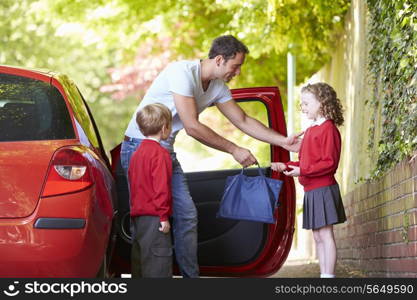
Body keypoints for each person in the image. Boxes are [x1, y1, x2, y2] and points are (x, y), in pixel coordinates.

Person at [121, 35, 300, 277]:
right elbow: (192, 126)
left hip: (165, 151)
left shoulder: (217, 88)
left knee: (187, 215)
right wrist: (234, 149)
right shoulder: (181, 72)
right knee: (148, 220)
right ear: (218, 59)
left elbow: (243, 120)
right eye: (235, 66)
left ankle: (190, 279)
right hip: (140, 148)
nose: (237, 72)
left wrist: (284, 141)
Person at [271, 82, 347, 278]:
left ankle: (328, 277)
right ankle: (324, 274)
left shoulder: (328, 129)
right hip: (312, 190)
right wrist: (286, 166)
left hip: (323, 188)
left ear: (321, 102)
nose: (302, 108)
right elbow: (306, 161)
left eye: (306, 103)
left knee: (325, 234)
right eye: (301, 104)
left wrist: (301, 169)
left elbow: (329, 163)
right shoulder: (311, 130)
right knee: (317, 235)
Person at [128, 103, 173, 278]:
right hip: (155, 218)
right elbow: (161, 188)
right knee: (158, 265)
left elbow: (134, 185)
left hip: (138, 218)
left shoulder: (136, 154)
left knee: (140, 263)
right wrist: (163, 217)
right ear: (164, 128)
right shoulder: (160, 154)